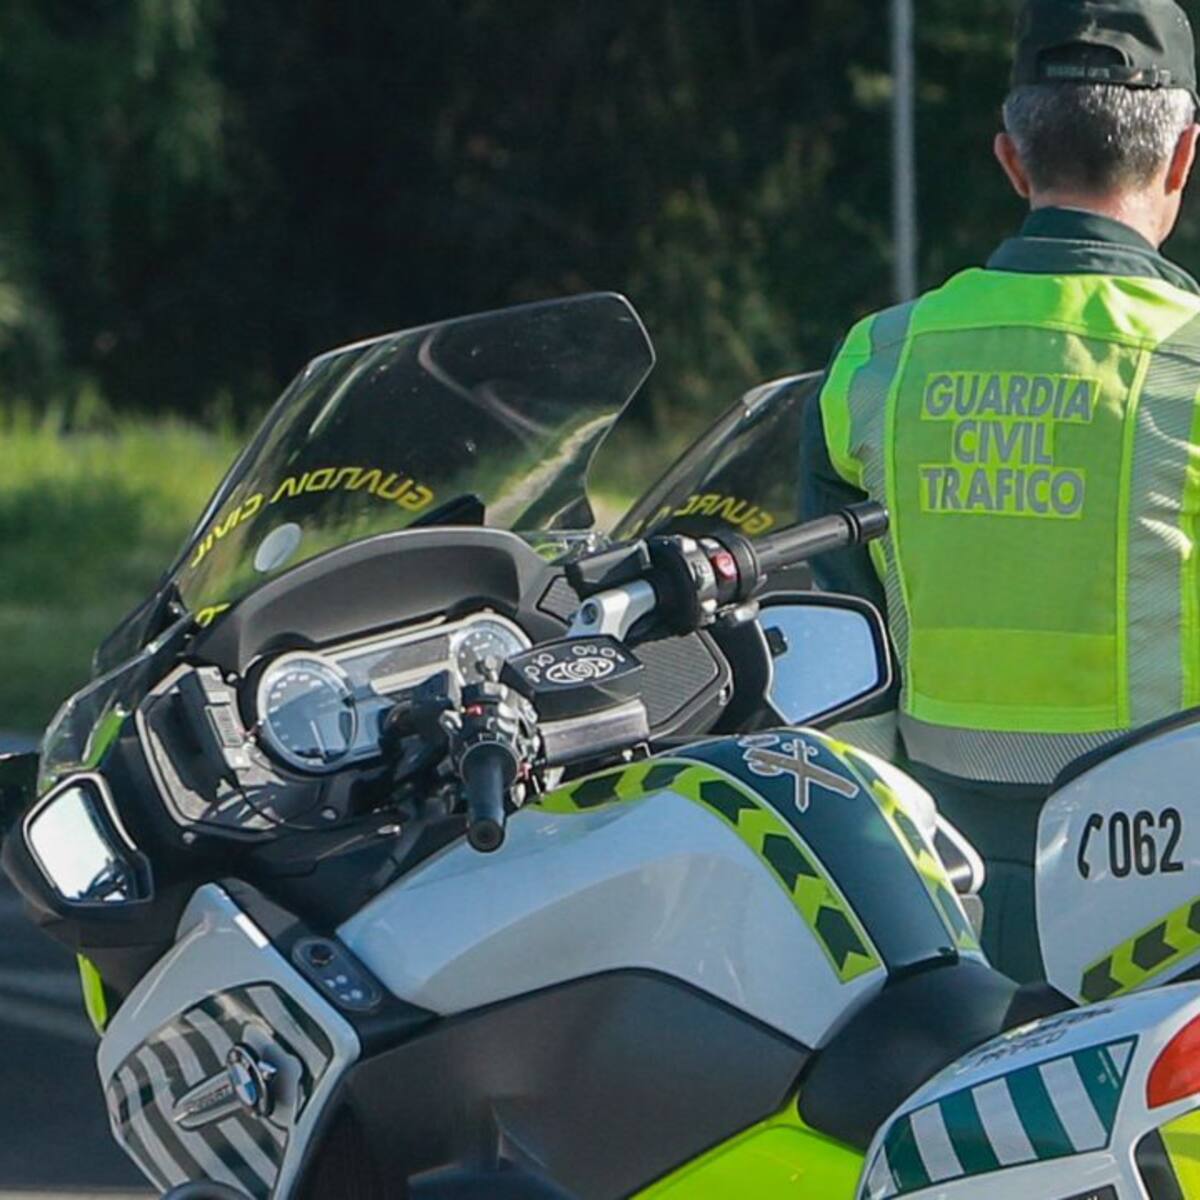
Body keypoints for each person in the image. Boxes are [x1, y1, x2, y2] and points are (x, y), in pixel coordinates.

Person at [800, 0, 1200, 982]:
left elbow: (832, 663)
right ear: (1182, 157)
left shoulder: (874, 364)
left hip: (941, 906)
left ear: (1013, 161)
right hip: (1168, 918)